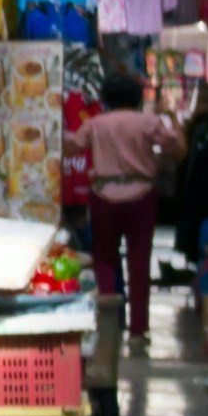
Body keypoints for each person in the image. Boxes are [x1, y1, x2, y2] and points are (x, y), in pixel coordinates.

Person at [70, 69, 179, 358]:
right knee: (139, 260)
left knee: (104, 258)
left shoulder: (96, 124)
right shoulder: (148, 122)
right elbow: (174, 146)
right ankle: (139, 332)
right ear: (136, 97)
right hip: (142, 194)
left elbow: (73, 145)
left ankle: (109, 323)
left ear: (105, 99)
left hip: (104, 194)